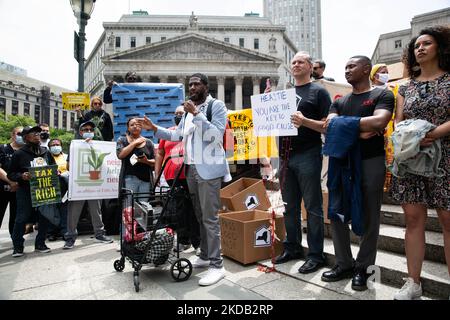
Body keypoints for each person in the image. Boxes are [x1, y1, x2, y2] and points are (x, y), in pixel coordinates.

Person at [138, 73, 230, 287]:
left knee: (210, 218)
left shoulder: (215, 106)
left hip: (209, 170)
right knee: (199, 216)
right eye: (190, 84)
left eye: (197, 84)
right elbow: (177, 136)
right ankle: (206, 255)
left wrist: (197, 114)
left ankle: (217, 265)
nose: (193, 87)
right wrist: (155, 129)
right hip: (190, 169)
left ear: (206, 86)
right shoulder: (188, 110)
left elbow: (216, 135)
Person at [320, 56, 394, 291]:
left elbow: (380, 121)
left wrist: (346, 126)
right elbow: (329, 126)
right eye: (345, 67)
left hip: (371, 162)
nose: (347, 70)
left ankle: (363, 267)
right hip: (341, 163)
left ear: (365, 69)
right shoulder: (340, 101)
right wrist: (358, 130)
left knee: (370, 214)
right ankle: (343, 263)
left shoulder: (382, 95)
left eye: (352, 66)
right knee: (336, 212)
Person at [390, 26, 450, 300]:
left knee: (448, 221)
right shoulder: (405, 87)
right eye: (417, 45)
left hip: (445, 158)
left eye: (427, 43)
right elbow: (399, 121)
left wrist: (433, 133)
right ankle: (412, 283)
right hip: (411, 160)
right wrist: (412, 138)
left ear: (439, 48)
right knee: (413, 220)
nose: (420, 48)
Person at [272, 52, 331, 275]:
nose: (295, 64)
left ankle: (316, 254)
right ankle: (293, 247)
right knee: (289, 207)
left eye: (300, 62)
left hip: (308, 153)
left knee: (313, 207)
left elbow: (327, 125)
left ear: (310, 66)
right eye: (293, 62)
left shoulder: (319, 92)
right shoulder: (283, 94)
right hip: (285, 156)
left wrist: (304, 121)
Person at [154, 106, 201, 254]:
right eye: (176, 113)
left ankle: (198, 243)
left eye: (181, 113)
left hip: (189, 174)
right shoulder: (169, 132)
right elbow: (160, 153)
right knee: (180, 209)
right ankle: (183, 240)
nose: (178, 115)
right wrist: (157, 174)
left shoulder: (191, 130)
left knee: (193, 209)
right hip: (171, 177)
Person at [63, 121, 114, 250]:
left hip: (95, 184)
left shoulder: (100, 146)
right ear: (80, 132)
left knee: (96, 211)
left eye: (91, 129)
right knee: (73, 213)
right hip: (79, 185)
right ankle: (70, 238)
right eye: (85, 129)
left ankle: (99, 234)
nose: (89, 131)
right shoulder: (75, 145)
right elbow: (69, 166)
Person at [8, 125, 57, 257]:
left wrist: (55, 172)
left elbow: (53, 167)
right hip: (25, 191)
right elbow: (11, 174)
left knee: (44, 217)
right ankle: (18, 246)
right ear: (25, 138)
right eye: (33, 133)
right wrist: (21, 176)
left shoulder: (46, 151)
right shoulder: (19, 154)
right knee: (21, 218)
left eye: (38, 133)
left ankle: (40, 243)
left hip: (44, 190)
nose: (37, 135)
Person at [116, 117, 156, 196]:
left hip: (146, 179)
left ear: (142, 127)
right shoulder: (122, 139)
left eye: (138, 125)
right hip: (129, 178)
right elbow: (120, 155)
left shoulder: (148, 142)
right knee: (130, 204)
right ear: (128, 127)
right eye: (132, 125)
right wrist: (134, 143)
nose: (135, 126)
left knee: (144, 205)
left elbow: (155, 162)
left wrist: (146, 161)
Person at [0, 127, 23, 235]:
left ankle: (16, 243)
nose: (21, 136)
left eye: (24, 134)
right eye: (19, 133)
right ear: (13, 135)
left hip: (20, 190)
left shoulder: (27, 151)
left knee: (16, 219)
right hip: (3, 188)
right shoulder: (3, 148)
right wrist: (11, 181)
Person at [46, 138, 69, 241]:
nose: (55, 146)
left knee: (64, 210)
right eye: (53, 145)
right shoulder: (45, 157)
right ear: (49, 147)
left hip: (64, 186)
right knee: (52, 211)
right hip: (50, 186)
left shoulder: (66, 157)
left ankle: (65, 232)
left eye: (57, 144)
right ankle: (51, 232)